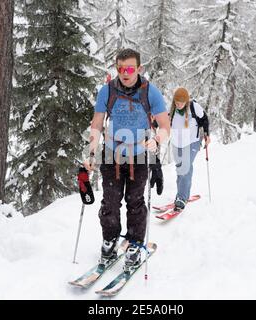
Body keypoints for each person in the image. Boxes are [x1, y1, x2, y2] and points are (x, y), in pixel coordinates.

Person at [83, 48, 170, 270]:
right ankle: (110, 240)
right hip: (112, 155)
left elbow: (165, 126)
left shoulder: (150, 92)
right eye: (120, 68)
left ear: (139, 69)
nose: (124, 72)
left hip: (139, 156)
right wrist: (91, 154)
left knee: (135, 202)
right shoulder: (107, 91)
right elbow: (97, 124)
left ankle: (134, 244)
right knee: (110, 202)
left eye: (129, 68)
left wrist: (157, 141)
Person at [169, 87, 210, 212]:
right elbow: (163, 121)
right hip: (177, 143)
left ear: (186, 101)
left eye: (181, 102)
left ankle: (181, 197)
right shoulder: (171, 110)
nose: (178, 104)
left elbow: (204, 120)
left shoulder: (194, 107)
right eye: (176, 102)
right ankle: (183, 194)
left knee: (185, 168)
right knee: (180, 169)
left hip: (192, 142)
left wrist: (207, 135)